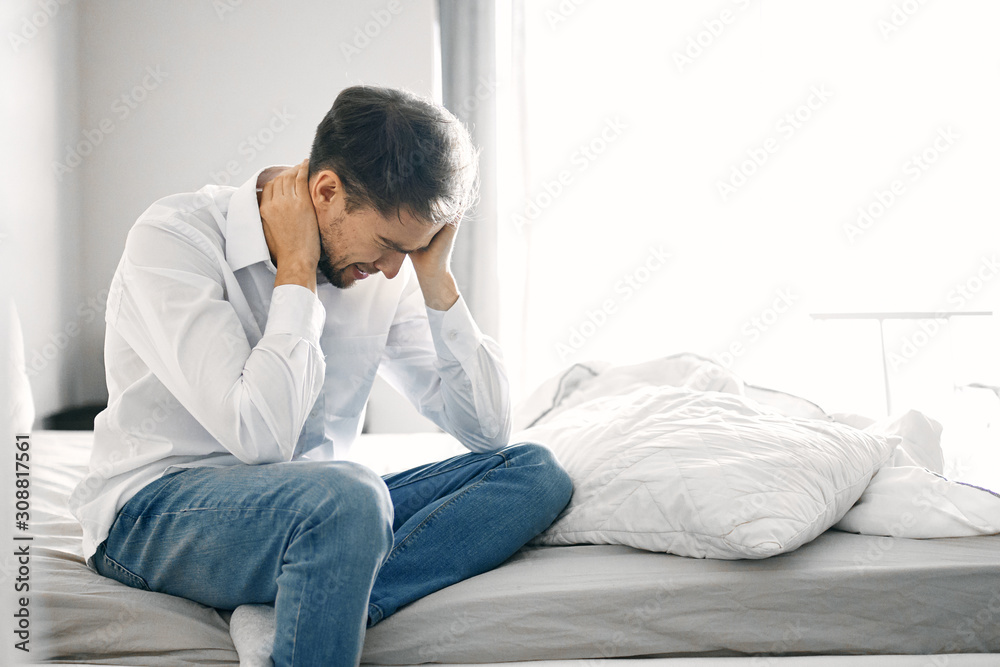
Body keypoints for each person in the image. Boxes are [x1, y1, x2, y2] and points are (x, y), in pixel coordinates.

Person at [68, 85, 573, 667]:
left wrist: (437, 278)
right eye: (388, 245)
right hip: (153, 511)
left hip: (320, 515)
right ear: (327, 192)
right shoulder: (174, 238)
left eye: (409, 252)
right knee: (349, 497)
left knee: (534, 472)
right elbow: (259, 438)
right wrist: (297, 269)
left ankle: (307, 602)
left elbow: (489, 431)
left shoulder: (383, 270)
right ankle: (319, 586)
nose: (389, 269)